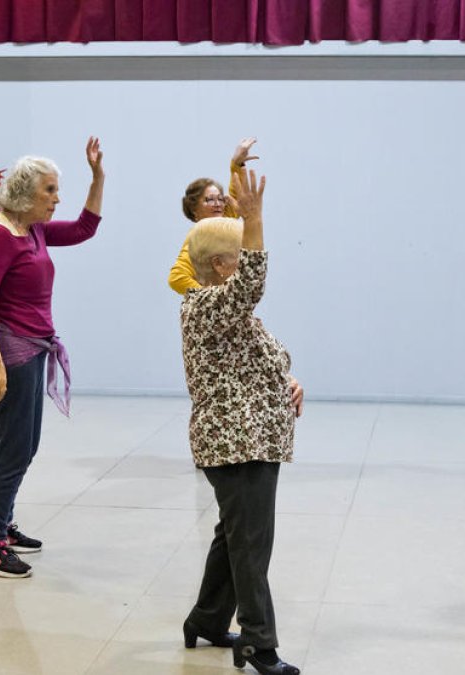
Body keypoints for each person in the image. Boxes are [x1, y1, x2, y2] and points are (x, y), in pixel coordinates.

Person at [180, 168, 304, 675]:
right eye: (238, 253)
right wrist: (254, 218)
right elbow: (252, 284)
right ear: (219, 265)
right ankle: (257, 644)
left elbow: (261, 358)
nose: (245, 262)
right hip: (237, 445)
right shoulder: (207, 305)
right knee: (252, 545)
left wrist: (289, 381)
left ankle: (207, 620)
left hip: (253, 438)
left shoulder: (227, 312)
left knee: (234, 536)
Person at [0, 142, 105, 578]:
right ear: (26, 193)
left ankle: (1, 523)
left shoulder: (35, 230)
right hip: (10, 350)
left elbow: (85, 228)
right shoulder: (0, 235)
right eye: (50, 190)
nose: (56, 199)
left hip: (33, 346)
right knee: (12, 449)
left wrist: (97, 177)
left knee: (25, 446)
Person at [168, 137, 259, 295]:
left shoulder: (220, 225)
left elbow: (235, 198)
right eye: (209, 200)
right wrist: (210, 298)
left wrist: (237, 164)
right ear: (194, 209)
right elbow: (176, 277)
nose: (217, 204)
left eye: (220, 199)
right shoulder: (200, 236)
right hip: (214, 313)